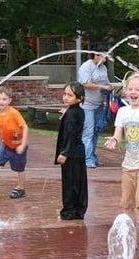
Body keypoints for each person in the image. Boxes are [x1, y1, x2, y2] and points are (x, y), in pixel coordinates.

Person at [104, 73, 139, 254]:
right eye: (130, 89)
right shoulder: (122, 112)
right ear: (126, 92)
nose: (133, 92)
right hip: (128, 162)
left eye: (138, 89)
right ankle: (131, 238)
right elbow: (118, 135)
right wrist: (114, 140)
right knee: (126, 204)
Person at [0, 86, 28, 199]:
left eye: (4, 99)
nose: (1, 101)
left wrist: (22, 144)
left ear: (9, 100)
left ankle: (21, 188)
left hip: (18, 146)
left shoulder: (14, 113)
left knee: (19, 168)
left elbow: (25, 127)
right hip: (6, 146)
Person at [55, 82, 88, 220]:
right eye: (65, 94)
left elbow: (70, 134)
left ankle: (69, 210)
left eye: (70, 95)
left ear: (79, 98)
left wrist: (64, 153)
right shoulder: (77, 111)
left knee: (70, 183)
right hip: (78, 152)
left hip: (71, 153)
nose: (65, 97)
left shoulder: (71, 114)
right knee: (78, 181)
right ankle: (79, 209)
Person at [78, 46, 113, 168]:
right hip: (86, 104)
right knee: (88, 132)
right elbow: (86, 84)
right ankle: (86, 159)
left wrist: (110, 88)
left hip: (99, 104)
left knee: (96, 131)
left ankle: (92, 156)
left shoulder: (103, 68)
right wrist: (103, 87)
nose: (105, 59)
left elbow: (106, 83)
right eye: (103, 56)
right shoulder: (86, 67)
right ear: (96, 55)